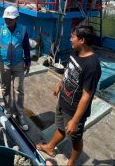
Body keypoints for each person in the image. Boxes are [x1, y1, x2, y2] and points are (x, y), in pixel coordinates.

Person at [36, 25, 101, 166]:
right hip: (63, 101)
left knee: (76, 140)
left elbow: (87, 95)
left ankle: (71, 163)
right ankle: (50, 146)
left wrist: (75, 121)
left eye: (73, 37)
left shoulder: (92, 65)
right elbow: (68, 70)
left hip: (74, 111)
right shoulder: (75, 52)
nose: (70, 39)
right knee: (60, 127)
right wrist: (60, 84)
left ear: (82, 40)